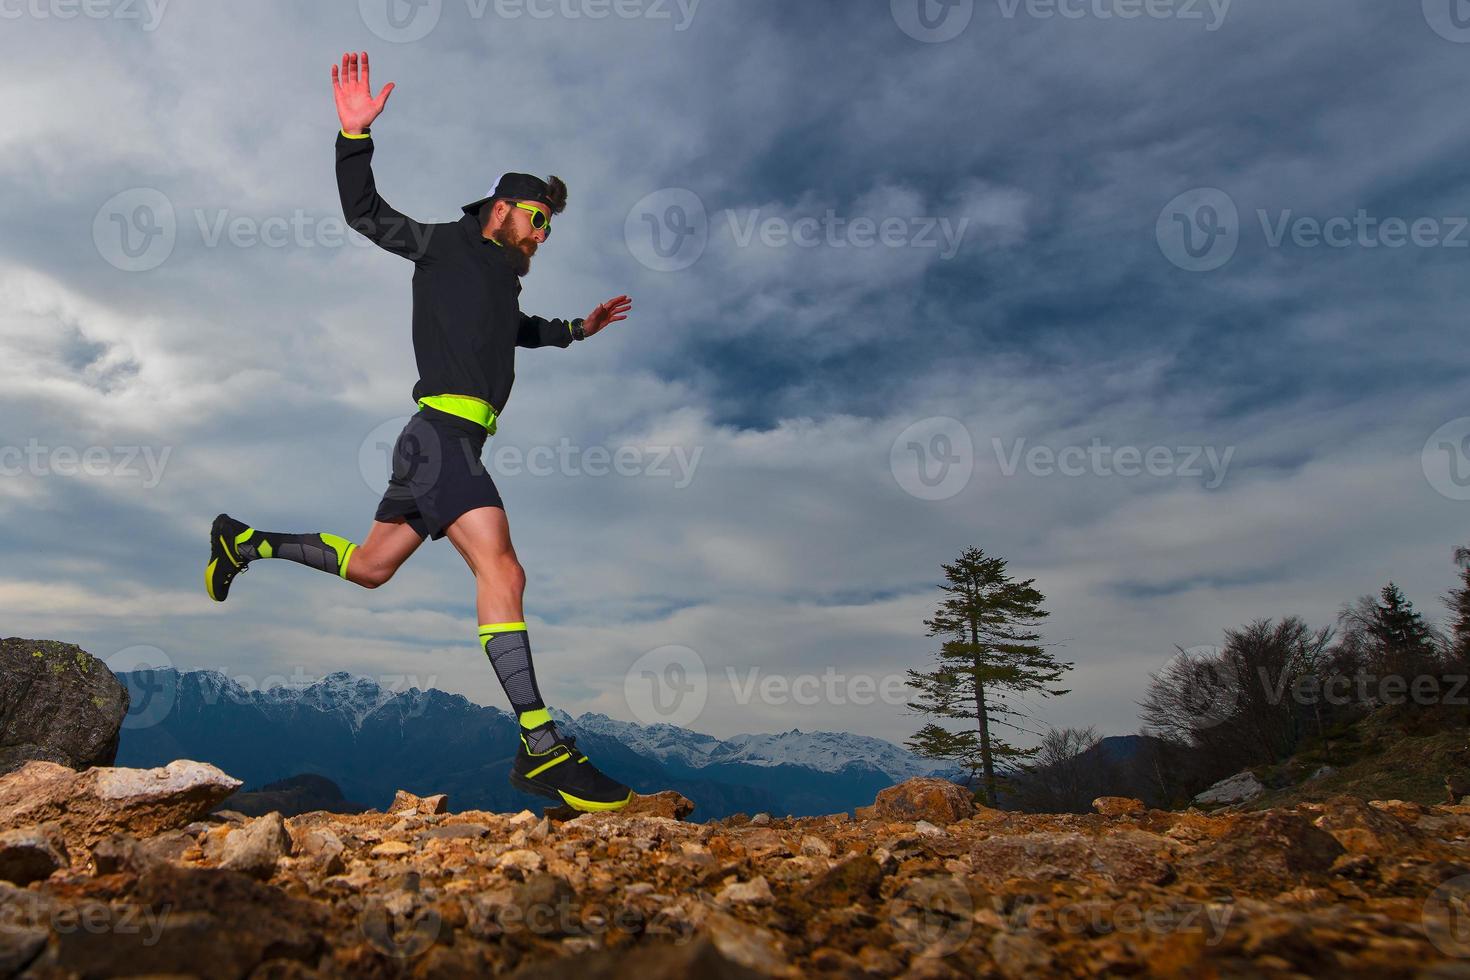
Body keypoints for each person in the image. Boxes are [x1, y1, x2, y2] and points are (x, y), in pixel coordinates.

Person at [205, 51, 636, 813]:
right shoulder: (442, 243)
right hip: (441, 438)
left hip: (434, 444)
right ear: (503, 206)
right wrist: (353, 136)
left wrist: (580, 327)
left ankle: (246, 542)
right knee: (503, 571)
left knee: (372, 568)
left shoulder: (505, 281)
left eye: (548, 231)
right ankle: (541, 747)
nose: (542, 237)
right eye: (538, 221)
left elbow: (522, 331)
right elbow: (365, 213)